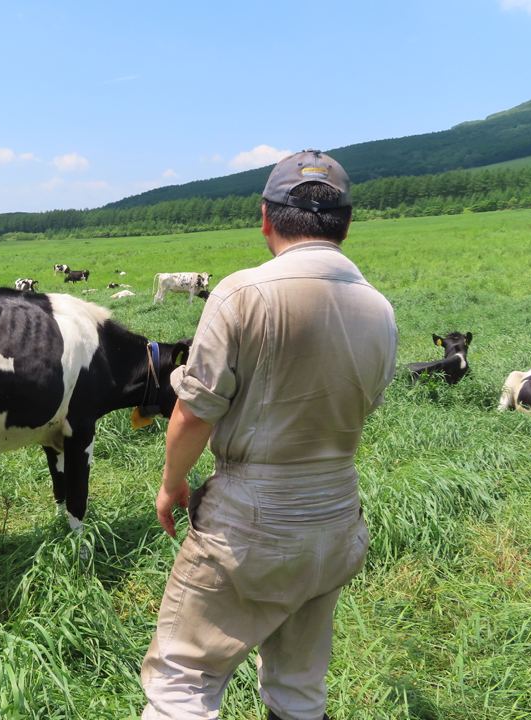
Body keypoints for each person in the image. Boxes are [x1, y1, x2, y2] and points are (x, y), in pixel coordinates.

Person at [140, 150, 398, 720]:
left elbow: (193, 412)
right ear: (347, 223)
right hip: (336, 517)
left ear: (265, 217)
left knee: (184, 675)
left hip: (250, 521)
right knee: (299, 685)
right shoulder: (380, 309)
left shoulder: (240, 295)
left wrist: (172, 483)